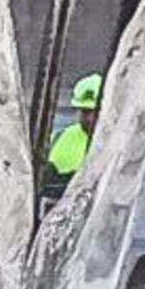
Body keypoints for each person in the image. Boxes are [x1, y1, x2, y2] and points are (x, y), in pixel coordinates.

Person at [44, 73, 102, 201]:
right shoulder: (60, 137)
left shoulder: (119, 141)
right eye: (85, 111)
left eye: (95, 112)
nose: (89, 118)